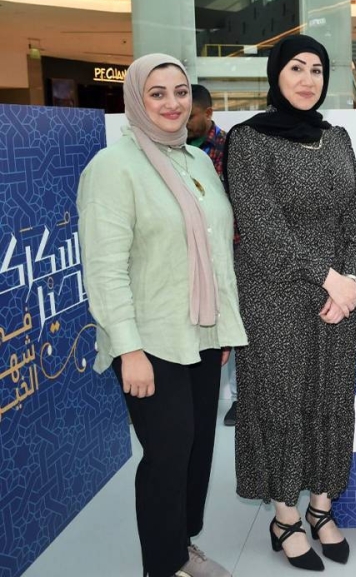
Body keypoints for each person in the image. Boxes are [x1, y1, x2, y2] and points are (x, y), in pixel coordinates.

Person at [78, 53, 248, 577]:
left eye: (180, 92)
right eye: (157, 93)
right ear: (135, 99)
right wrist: (128, 349)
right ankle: (162, 565)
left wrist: (222, 327)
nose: (172, 103)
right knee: (167, 455)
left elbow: (217, 251)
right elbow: (104, 269)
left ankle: (182, 546)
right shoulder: (113, 168)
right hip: (149, 340)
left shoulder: (197, 161)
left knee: (197, 452)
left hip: (201, 332)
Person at [225, 35, 356, 572]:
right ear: (275, 75)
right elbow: (262, 229)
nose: (308, 80)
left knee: (331, 399)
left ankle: (320, 508)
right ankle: (284, 517)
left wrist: (348, 279)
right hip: (275, 296)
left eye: (317, 70)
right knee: (281, 404)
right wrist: (330, 279)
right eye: (296, 68)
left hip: (338, 302)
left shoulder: (337, 138)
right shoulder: (248, 139)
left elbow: (355, 219)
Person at [186, 83, 239, 428]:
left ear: (208, 113)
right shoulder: (171, 149)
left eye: (191, 116)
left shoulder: (229, 148)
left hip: (230, 249)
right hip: (190, 252)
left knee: (234, 327)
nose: (184, 122)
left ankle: (239, 398)